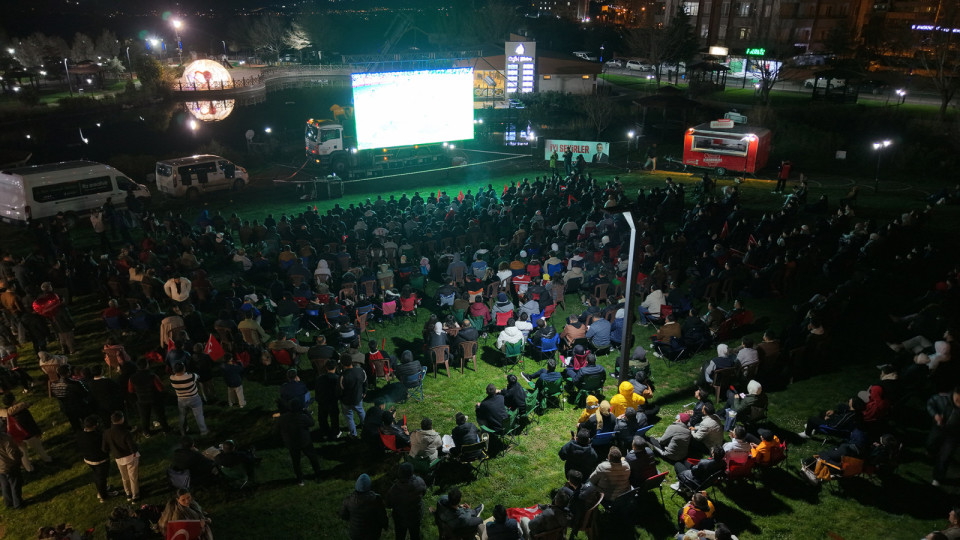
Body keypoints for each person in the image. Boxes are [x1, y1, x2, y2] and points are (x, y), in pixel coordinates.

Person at [0, 393, 51, 472]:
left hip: (17, 437)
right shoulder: (23, 410)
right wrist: (37, 431)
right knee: (39, 448)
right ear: (14, 400)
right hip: (30, 434)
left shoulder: (4, 416)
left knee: (23, 455)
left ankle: (29, 469)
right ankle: (47, 460)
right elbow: (31, 422)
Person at [277, 398, 322, 485]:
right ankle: (318, 476)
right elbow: (312, 423)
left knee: (296, 462)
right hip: (305, 442)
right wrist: (307, 412)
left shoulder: (282, 418)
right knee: (312, 458)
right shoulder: (302, 417)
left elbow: (276, 430)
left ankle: (300, 480)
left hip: (291, 443)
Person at [102, 411, 140, 502]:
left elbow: (104, 448)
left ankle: (128, 494)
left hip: (118, 458)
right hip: (130, 457)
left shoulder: (107, 433)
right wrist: (136, 450)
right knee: (133, 477)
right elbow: (132, 447)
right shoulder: (125, 432)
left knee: (124, 477)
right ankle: (135, 495)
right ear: (121, 419)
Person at [926, 386, 960, 487]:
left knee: (945, 455)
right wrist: (935, 415)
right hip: (938, 429)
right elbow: (931, 403)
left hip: (954, 435)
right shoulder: (942, 399)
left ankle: (938, 477)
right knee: (931, 444)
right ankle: (931, 453)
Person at [340, 473, 389, 540]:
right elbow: (382, 517)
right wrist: (385, 526)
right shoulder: (376, 500)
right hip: (373, 535)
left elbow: (343, 516)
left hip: (355, 535)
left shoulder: (348, 499)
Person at [386, 462, 427, 540]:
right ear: (412, 472)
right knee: (415, 536)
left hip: (400, 519)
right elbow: (424, 492)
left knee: (400, 537)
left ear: (400, 474)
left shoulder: (394, 490)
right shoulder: (420, 482)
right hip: (416, 516)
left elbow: (388, 505)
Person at [170, 362, 209, 437]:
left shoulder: (172, 378)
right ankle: (204, 431)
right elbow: (198, 376)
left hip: (181, 399)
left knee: (182, 415)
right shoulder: (191, 376)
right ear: (184, 368)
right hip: (194, 398)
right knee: (198, 415)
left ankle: (183, 431)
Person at [339, 355, 367, 438]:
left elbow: (340, 390)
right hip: (358, 398)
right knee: (361, 411)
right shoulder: (361, 371)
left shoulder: (342, 376)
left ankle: (353, 434)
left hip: (346, 401)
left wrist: (341, 398)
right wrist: (365, 391)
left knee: (349, 417)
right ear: (351, 361)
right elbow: (365, 381)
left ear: (342, 364)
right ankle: (365, 426)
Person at [0, 426, 23, 510]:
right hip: (10, 466)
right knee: (15, 485)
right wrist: (19, 457)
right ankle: (18, 504)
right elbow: (13, 453)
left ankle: (9, 503)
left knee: (5, 485)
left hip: (0, 469)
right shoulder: (5, 438)